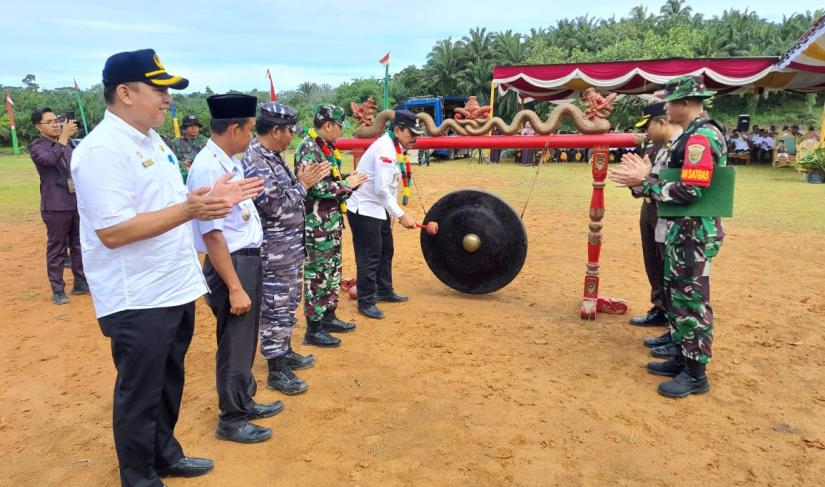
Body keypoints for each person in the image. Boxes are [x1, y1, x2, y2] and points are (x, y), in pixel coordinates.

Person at [71, 49, 263, 486]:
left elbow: (170, 205)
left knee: (169, 378)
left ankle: (164, 453)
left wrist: (209, 197)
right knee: (140, 391)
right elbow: (114, 232)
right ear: (124, 93)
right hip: (136, 296)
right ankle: (138, 476)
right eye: (158, 90)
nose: (167, 99)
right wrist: (192, 210)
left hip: (173, 285)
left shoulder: (152, 141)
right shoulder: (103, 150)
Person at [608, 75, 726, 399]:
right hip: (681, 229)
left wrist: (645, 182)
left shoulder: (701, 138)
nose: (666, 108)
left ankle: (695, 373)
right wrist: (645, 178)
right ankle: (681, 356)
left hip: (693, 232)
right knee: (676, 296)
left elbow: (690, 189)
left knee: (690, 301)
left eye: (670, 102)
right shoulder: (690, 136)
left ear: (685, 104)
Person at [187, 94, 283, 444]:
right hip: (231, 263)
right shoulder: (211, 167)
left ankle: (243, 399)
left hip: (245, 259)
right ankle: (232, 418)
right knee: (234, 342)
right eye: (249, 130)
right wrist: (235, 286)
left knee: (244, 339)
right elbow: (212, 235)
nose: (251, 137)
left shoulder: (226, 160)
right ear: (233, 128)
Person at [242, 102, 330, 395]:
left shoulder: (272, 156)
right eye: (289, 131)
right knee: (275, 306)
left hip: (289, 249)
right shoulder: (255, 159)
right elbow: (274, 205)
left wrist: (302, 183)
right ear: (276, 130)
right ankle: (276, 367)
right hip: (274, 250)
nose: (291, 137)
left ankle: (285, 349)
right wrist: (303, 184)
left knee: (288, 303)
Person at [294, 104, 368, 346]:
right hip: (316, 227)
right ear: (327, 125)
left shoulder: (325, 148)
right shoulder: (309, 149)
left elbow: (330, 184)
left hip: (330, 223)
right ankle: (313, 329)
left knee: (332, 271)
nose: (340, 131)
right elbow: (316, 188)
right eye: (338, 127)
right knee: (317, 274)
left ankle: (328, 316)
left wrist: (346, 183)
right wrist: (349, 183)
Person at [346, 110, 420, 320]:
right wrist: (401, 214)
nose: (414, 138)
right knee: (369, 257)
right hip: (365, 210)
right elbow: (381, 190)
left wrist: (391, 214)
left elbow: (389, 187)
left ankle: (384, 291)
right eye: (411, 133)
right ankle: (366, 302)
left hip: (379, 209)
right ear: (397, 130)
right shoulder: (385, 150)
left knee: (386, 250)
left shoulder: (395, 147)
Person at [626, 102, 679, 329]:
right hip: (648, 209)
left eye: (647, 125)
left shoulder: (678, 147)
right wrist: (635, 183)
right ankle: (659, 308)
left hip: (666, 211)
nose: (645, 131)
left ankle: (673, 314)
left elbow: (681, 187)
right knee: (653, 262)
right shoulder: (651, 146)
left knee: (668, 263)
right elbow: (641, 179)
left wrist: (645, 181)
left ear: (661, 121)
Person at [29, 107, 88, 304]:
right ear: (38, 127)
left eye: (57, 121)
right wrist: (63, 138)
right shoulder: (38, 147)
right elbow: (50, 160)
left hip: (76, 202)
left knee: (79, 244)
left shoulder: (70, 145)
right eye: (50, 122)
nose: (55, 124)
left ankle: (80, 283)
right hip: (56, 205)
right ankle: (57, 289)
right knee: (57, 248)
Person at [171, 114, 208, 182]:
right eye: (190, 126)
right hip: (184, 179)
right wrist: (182, 164)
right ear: (184, 128)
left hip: (203, 177)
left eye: (196, 125)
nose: (193, 128)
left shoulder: (207, 142)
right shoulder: (175, 143)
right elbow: (169, 160)